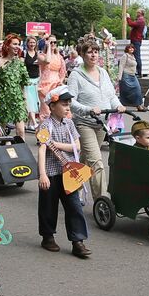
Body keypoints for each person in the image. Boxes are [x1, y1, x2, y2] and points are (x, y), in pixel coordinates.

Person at [67, 35, 125, 201]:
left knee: (86, 160)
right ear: (83, 55)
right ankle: (103, 201)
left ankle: (73, 189)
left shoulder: (104, 73)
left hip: (101, 123)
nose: (93, 55)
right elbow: (71, 102)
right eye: (89, 52)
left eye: (96, 52)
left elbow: (111, 95)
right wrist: (88, 109)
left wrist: (118, 105)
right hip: (84, 123)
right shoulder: (76, 75)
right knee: (97, 161)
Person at [36, 86, 90, 258]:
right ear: (52, 106)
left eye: (69, 104)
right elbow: (42, 150)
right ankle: (47, 236)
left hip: (69, 173)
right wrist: (43, 174)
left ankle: (78, 241)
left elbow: (78, 146)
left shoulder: (70, 124)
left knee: (74, 206)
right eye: (64, 104)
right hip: (51, 173)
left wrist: (57, 145)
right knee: (48, 206)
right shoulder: (46, 125)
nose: (68, 107)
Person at [0, 34, 30, 140]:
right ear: (7, 45)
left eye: (19, 44)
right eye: (15, 44)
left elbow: (23, 84)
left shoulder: (20, 62)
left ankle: (23, 155)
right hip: (3, 100)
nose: (17, 47)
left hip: (18, 101)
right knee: (1, 132)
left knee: (21, 131)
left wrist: (25, 101)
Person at [34, 37, 65, 118]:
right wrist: (48, 48)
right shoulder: (41, 55)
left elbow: (62, 71)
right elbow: (47, 60)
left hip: (56, 86)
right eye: (51, 42)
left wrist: (61, 81)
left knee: (57, 112)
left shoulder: (59, 57)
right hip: (45, 86)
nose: (53, 44)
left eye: (55, 42)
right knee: (46, 112)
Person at [126, 9, 146, 74]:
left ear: (141, 13)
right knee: (135, 55)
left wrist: (128, 17)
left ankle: (139, 72)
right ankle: (136, 71)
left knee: (137, 56)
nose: (137, 13)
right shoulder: (140, 20)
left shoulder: (140, 20)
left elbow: (131, 24)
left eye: (138, 12)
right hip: (136, 40)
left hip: (136, 40)